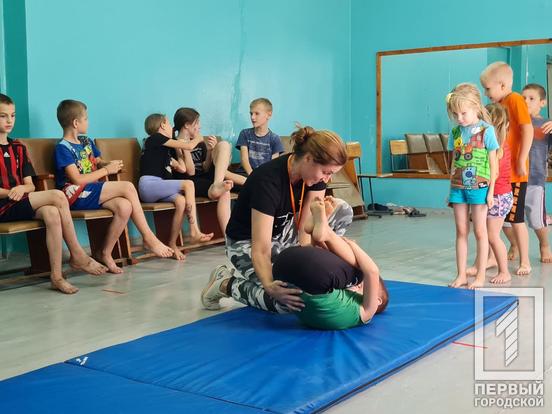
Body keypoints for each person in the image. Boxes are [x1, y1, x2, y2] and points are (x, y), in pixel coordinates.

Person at [201, 125, 353, 313]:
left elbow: (305, 230)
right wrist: (269, 285)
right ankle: (225, 283)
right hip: (247, 242)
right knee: (286, 300)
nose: (327, 179)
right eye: (326, 172)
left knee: (343, 210)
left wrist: (311, 268)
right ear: (308, 159)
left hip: (282, 232)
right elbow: (261, 248)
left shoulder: (315, 177)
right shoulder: (268, 182)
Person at [0, 93, 107, 294]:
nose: (9, 120)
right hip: (3, 206)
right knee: (57, 195)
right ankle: (77, 253)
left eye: (12, 115)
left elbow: (30, 186)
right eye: (3, 116)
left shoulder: (18, 148)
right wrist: (10, 192)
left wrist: (21, 188)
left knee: (51, 212)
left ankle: (56, 277)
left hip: (20, 201)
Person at [54, 99, 173, 274]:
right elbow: (77, 180)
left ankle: (105, 253)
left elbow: (97, 161)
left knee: (125, 206)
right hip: (74, 194)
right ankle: (149, 237)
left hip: (92, 191)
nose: (88, 122)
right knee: (127, 187)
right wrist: (106, 171)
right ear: (76, 123)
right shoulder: (62, 148)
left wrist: (108, 164)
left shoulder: (86, 141)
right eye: (86, 119)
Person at [273, 196, 389, 330]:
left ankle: (325, 232)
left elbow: (372, 271)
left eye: (362, 286)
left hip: (288, 267)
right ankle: (319, 232)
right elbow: (319, 261)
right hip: (284, 268)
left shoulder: (366, 313)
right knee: (328, 265)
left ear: (377, 301)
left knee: (360, 271)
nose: (356, 286)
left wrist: (352, 246)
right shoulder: (343, 302)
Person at [480, 62, 534, 276]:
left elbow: (527, 130)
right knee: (499, 220)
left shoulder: (515, 100)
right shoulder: (499, 105)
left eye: (488, 89)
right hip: (500, 175)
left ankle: (525, 260)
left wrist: (521, 159)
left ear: (502, 85)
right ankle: (494, 256)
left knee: (516, 219)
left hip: (515, 174)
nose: (486, 94)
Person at [138, 113, 214, 260]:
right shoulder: (155, 138)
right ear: (162, 125)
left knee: (181, 201)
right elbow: (190, 145)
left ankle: (172, 244)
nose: (171, 128)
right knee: (189, 184)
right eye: (168, 124)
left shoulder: (162, 150)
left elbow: (183, 169)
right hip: (149, 185)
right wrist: (198, 138)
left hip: (158, 186)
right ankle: (194, 230)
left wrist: (179, 156)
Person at [446, 83, 499, 289]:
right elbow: (454, 161)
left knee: (479, 231)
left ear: (476, 107)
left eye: (463, 113)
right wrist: (450, 189)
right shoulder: (455, 132)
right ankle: (461, 275)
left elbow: (493, 165)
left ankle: (480, 276)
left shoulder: (487, 131)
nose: (459, 118)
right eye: (455, 114)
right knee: (461, 230)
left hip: (480, 188)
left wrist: (491, 192)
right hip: (458, 187)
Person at [172, 107, 241, 234]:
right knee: (225, 191)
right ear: (187, 125)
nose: (200, 126)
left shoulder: (199, 142)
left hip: (208, 177)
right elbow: (190, 172)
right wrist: (187, 147)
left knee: (224, 145)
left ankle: (218, 184)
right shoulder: (174, 143)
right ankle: (229, 237)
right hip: (190, 182)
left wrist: (210, 151)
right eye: (197, 123)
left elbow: (205, 167)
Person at [466, 104, 513, 284]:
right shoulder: (494, 145)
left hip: (498, 197)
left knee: (492, 235)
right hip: (494, 195)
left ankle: (504, 271)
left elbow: (493, 173)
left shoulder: (497, 148)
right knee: (483, 233)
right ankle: (480, 264)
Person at [518, 84, 552, 263]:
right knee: (509, 221)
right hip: (514, 178)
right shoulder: (515, 122)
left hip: (535, 180)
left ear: (542, 103)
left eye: (531, 98)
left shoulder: (546, 125)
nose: (526, 101)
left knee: (537, 219)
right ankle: (514, 244)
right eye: (523, 98)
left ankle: (544, 244)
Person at [236, 98, 283, 175]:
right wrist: (252, 176)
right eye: (251, 113)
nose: (252, 117)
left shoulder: (275, 139)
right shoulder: (244, 133)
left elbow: (273, 165)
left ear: (269, 115)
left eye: (257, 113)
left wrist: (260, 178)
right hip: (245, 174)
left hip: (263, 177)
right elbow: (244, 160)